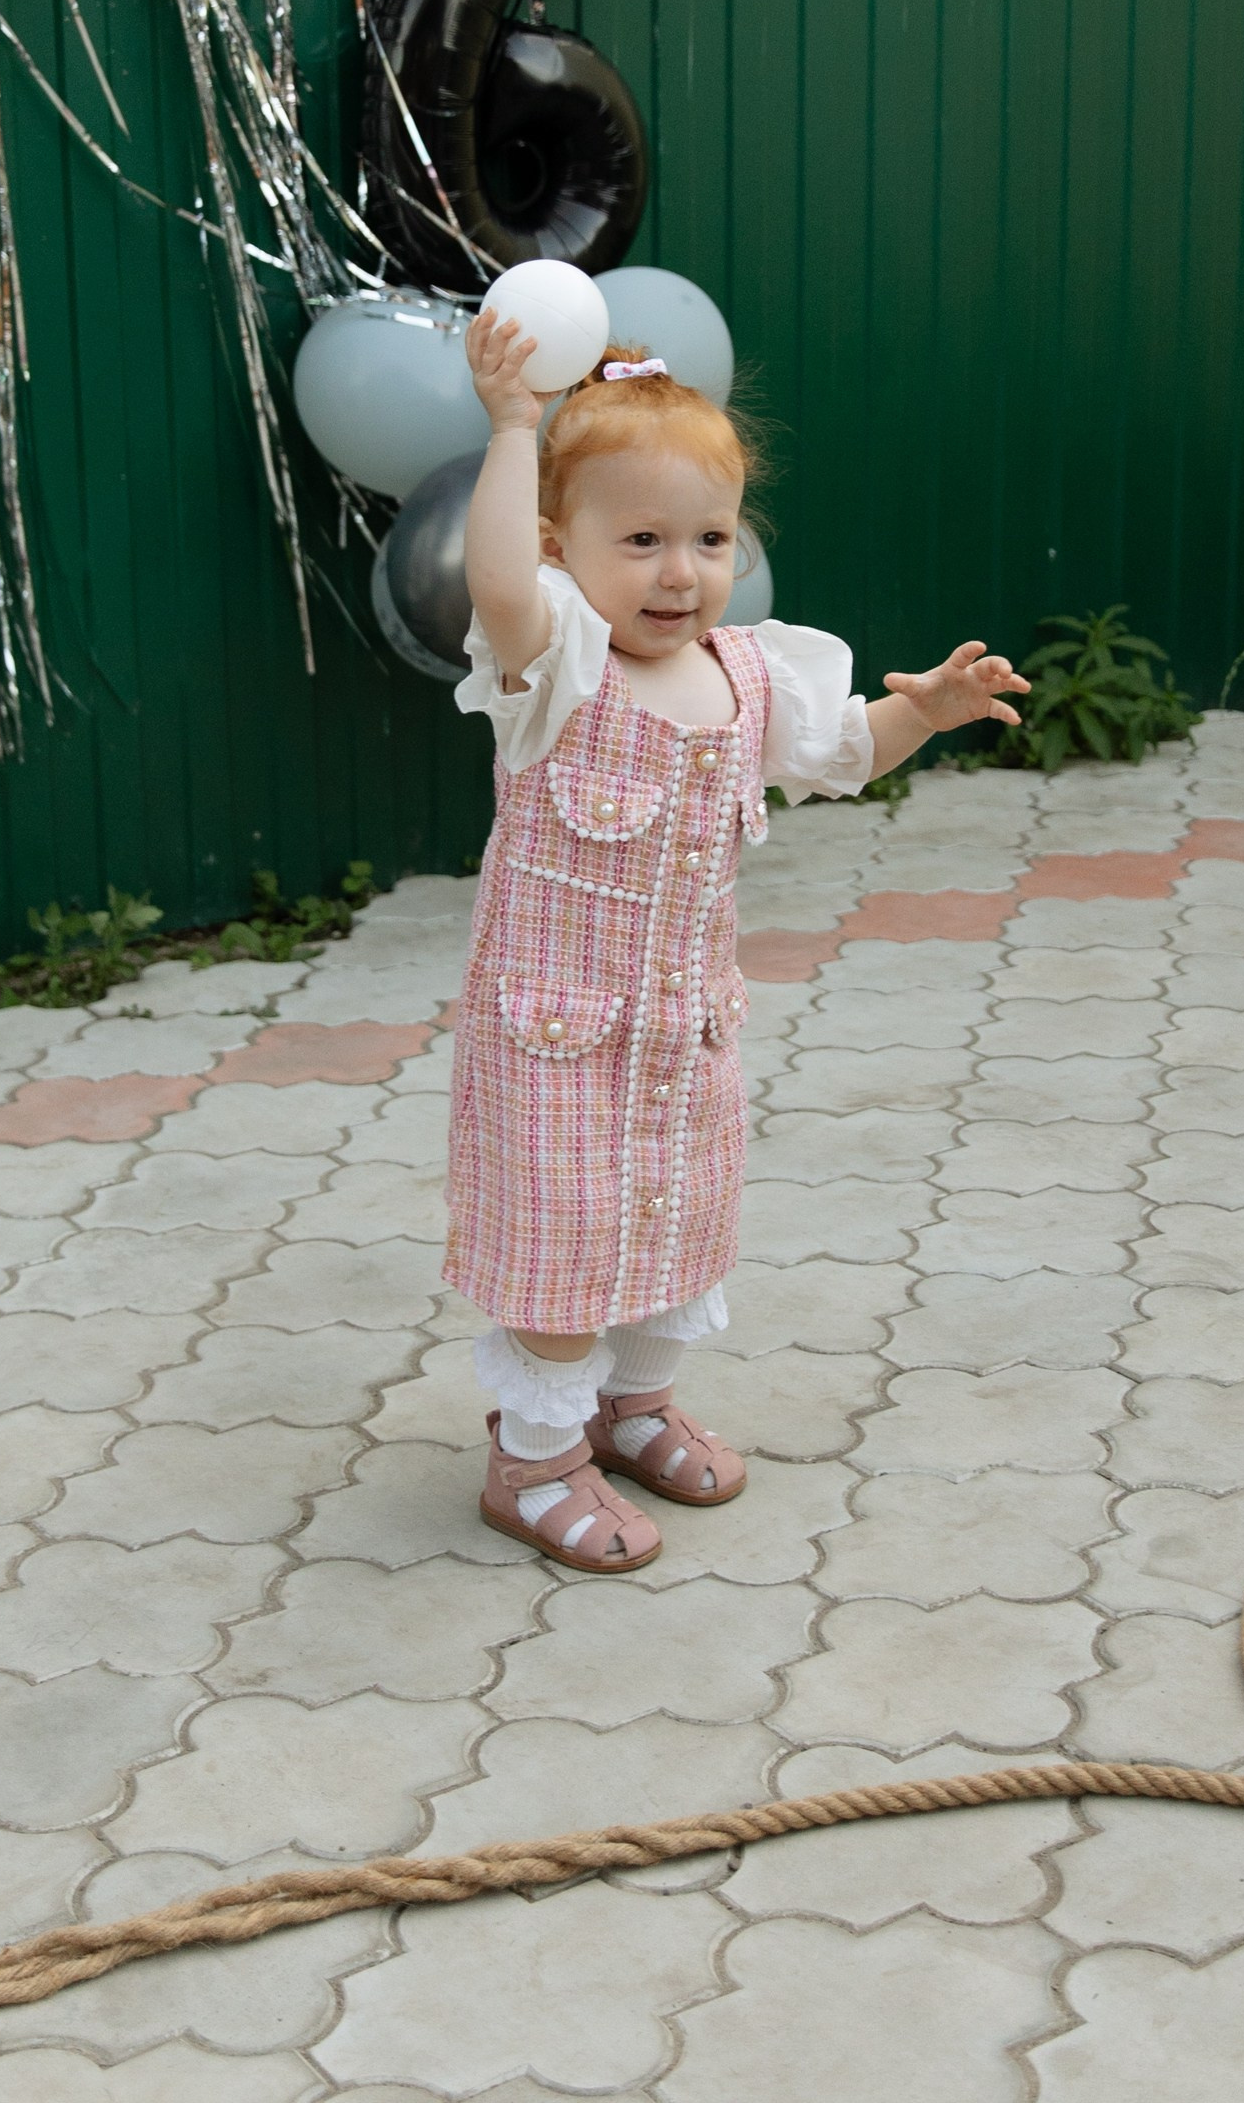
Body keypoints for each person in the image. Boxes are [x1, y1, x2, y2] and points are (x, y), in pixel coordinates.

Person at [447, 306, 1029, 1572]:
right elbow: (493, 585)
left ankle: (633, 1409)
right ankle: (533, 1460)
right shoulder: (558, 669)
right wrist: (509, 427)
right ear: (563, 549)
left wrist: (919, 714)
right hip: (555, 1042)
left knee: (674, 1226)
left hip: (680, 1036)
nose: (679, 573)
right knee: (563, 1250)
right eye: (642, 540)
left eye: (709, 539)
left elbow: (842, 756)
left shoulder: (747, 675)